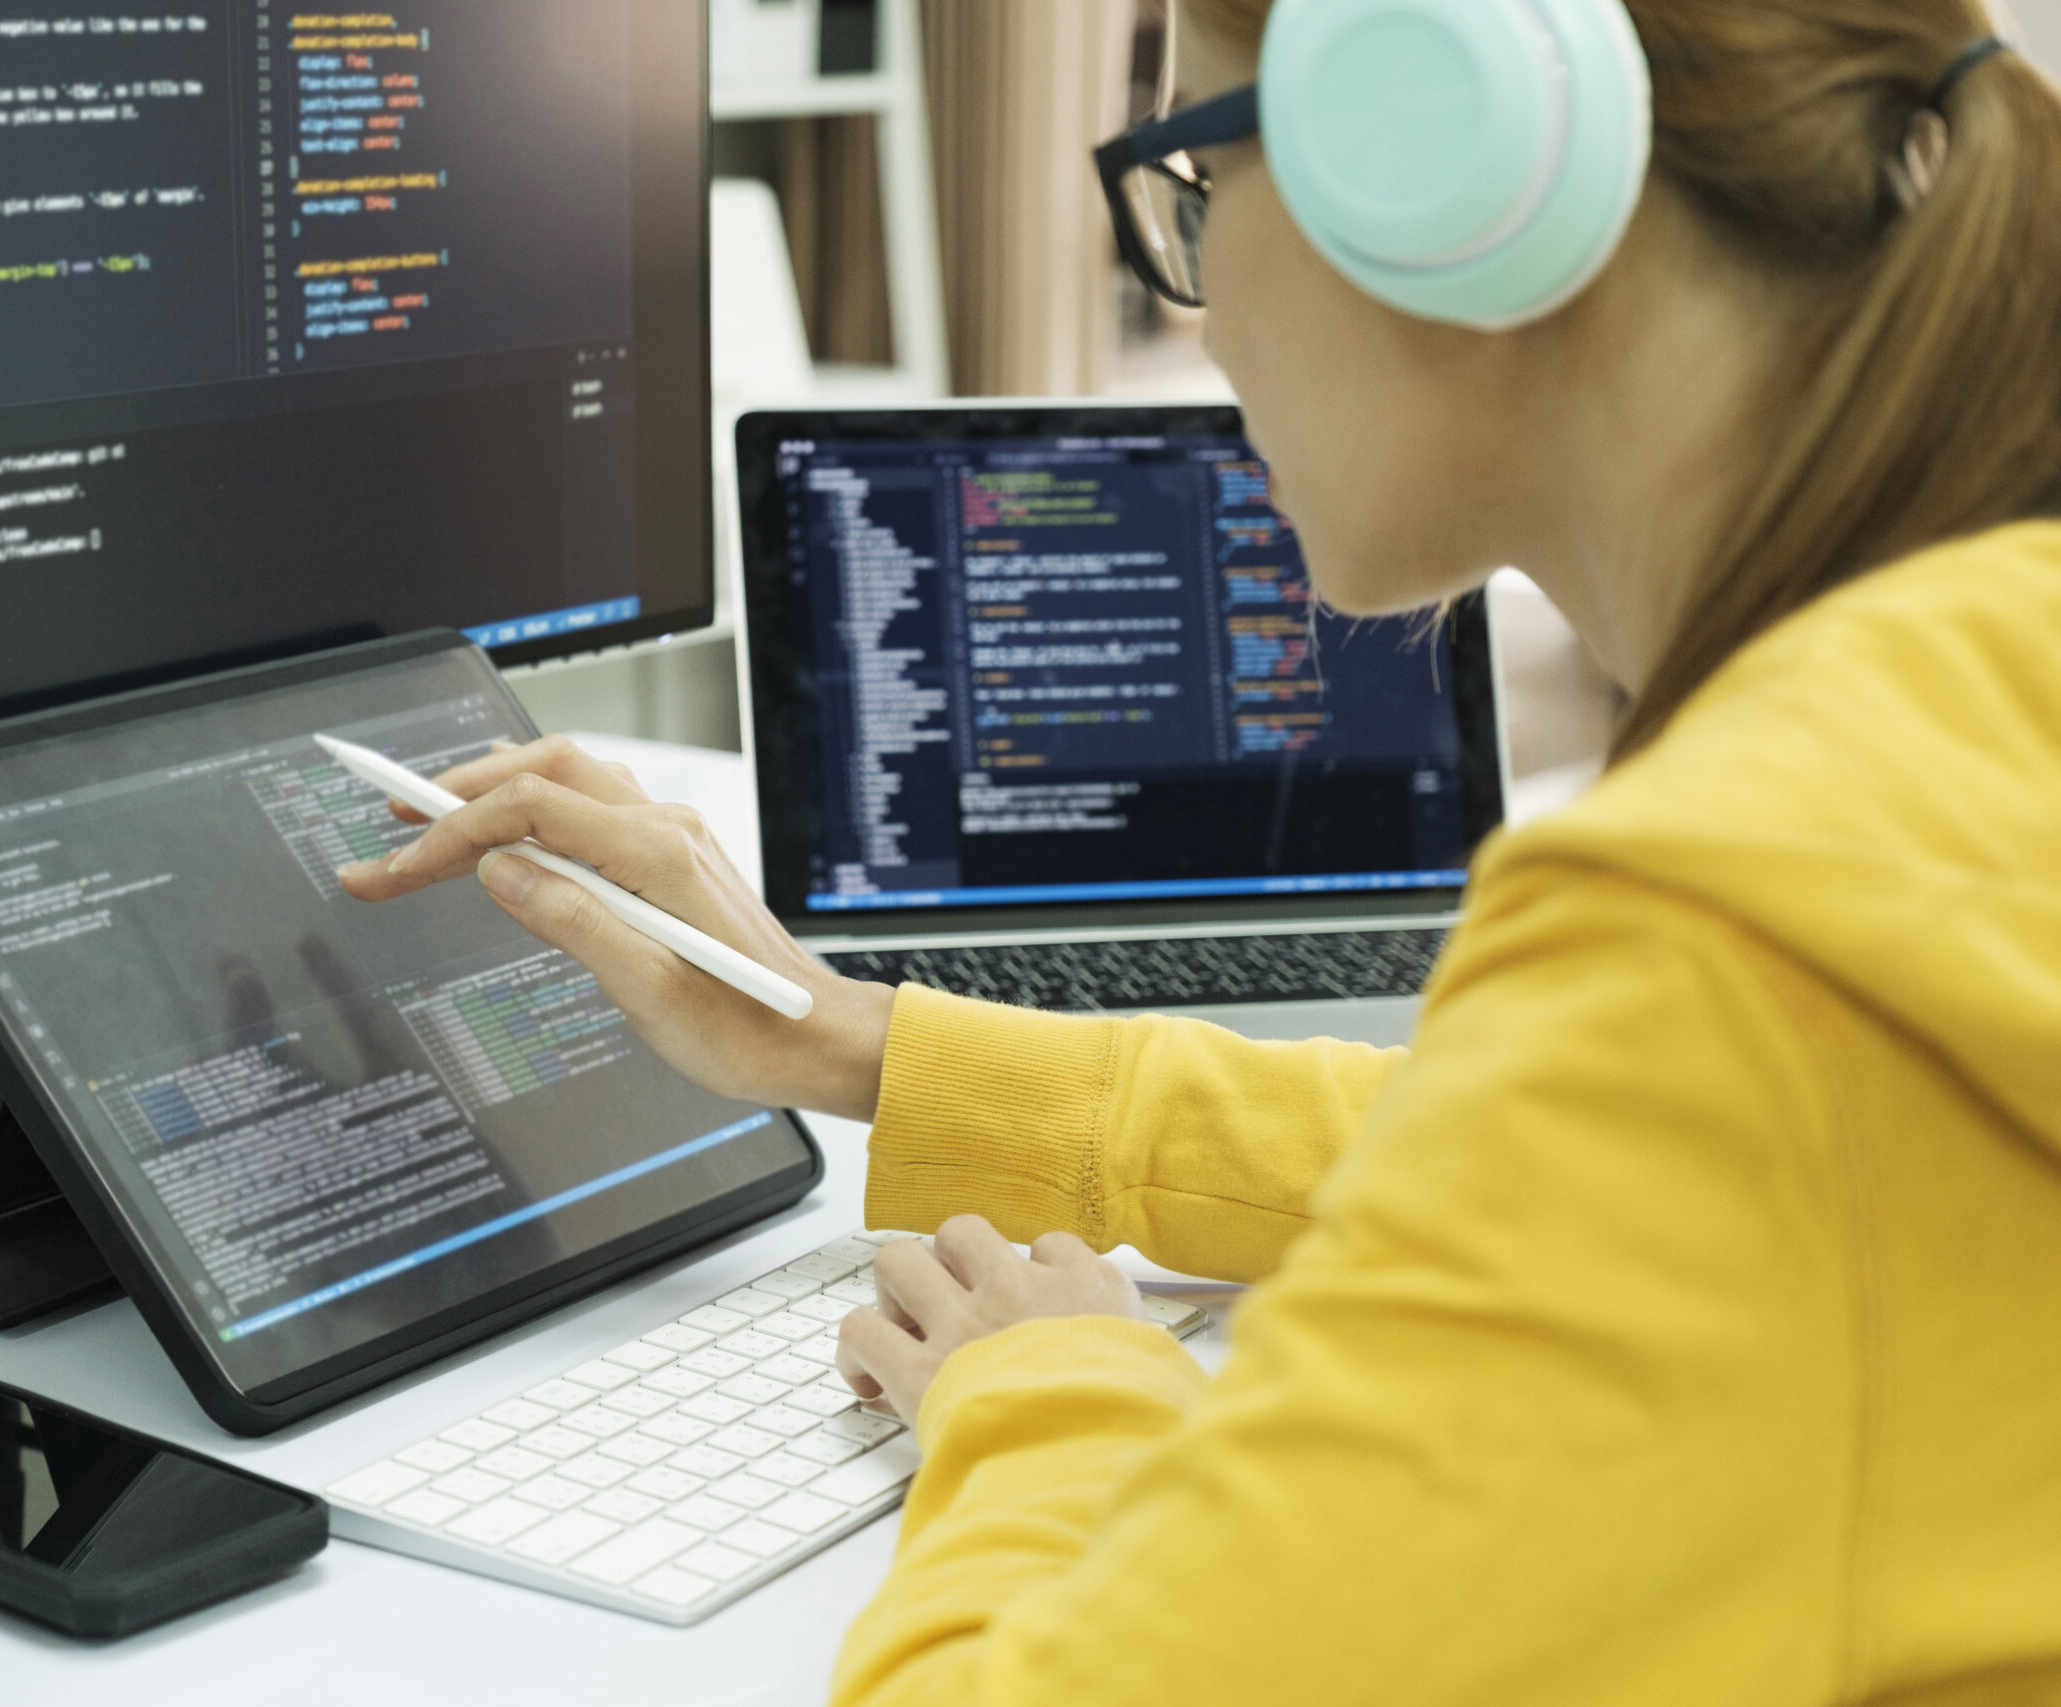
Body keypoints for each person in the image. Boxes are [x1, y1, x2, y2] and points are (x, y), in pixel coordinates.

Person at [343, 0, 2061, 1697]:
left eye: (1190, 183)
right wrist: (858, 1042)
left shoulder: (1728, 933)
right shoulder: (1965, 722)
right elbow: (1486, 1145)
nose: (1206, 302)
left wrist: (1055, 1395)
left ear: (1440, 157)